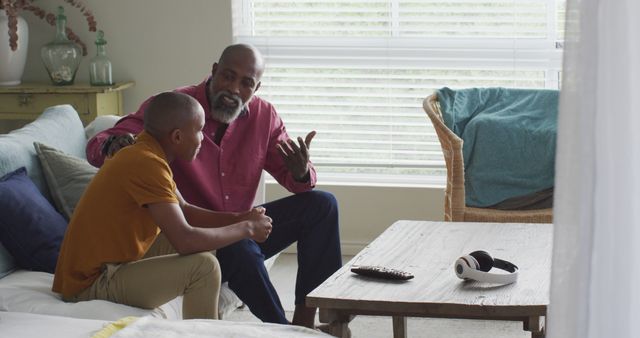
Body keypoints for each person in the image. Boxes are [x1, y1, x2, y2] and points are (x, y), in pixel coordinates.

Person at [85, 44, 342, 328]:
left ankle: (305, 320)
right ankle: (282, 330)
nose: (233, 88)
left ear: (256, 88)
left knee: (322, 204)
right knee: (240, 247)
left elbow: (298, 184)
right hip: (195, 233)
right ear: (214, 71)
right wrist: (114, 144)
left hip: (240, 224)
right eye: (228, 76)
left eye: (246, 83)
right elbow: (107, 141)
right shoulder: (176, 106)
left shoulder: (264, 116)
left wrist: (301, 172)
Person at [53, 92, 273, 320]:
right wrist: (246, 229)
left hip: (110, 264)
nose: (202, 139)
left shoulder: (144, 151)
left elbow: (185, 211)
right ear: (177, 137)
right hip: (89, 283)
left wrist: (241, 217)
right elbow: (185, 241)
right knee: (203, 267)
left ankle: (208, 320)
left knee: (208, 245)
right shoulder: (147, 164)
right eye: (199, 130)